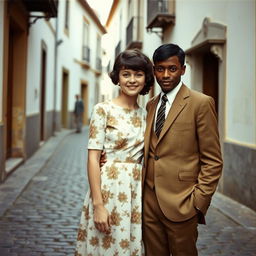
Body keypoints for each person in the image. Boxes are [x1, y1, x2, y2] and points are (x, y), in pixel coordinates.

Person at [142, 43, 223, 256]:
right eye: (160, 69)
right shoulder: (151, 105)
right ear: (154, 70)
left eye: (172, 68)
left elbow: (213, 160)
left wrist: (198, 203)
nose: (165, 75)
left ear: (183, 70)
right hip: (149, 204)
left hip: (182, 203)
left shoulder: (201, 103)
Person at [75, 49, 154, 256]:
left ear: (146, 78)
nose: (132, 80)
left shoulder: (146, 115)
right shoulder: (103, 110)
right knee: (105, 247)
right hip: (108, 190)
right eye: (126, 74)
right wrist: (98, 205)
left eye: (138, 74)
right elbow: (93, 158)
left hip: (135, 195)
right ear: (117, 77)